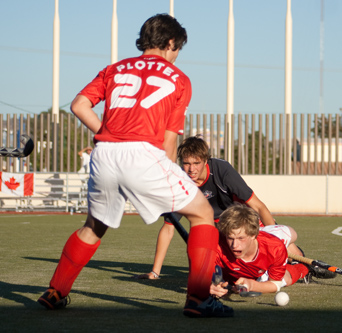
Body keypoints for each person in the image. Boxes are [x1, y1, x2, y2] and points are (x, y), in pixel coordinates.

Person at [37, 14, 233, 318]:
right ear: (170, 43)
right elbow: (169, 143)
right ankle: (199, 298)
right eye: (177, 48)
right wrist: (166, 183)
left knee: (94, 226)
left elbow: (78, 105)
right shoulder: (179, 78)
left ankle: (55, 291)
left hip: (104, 153)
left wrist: (110, 133)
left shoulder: (114, 69)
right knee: (203, 213)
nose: (177, 54)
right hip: (144, 154)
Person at [137, 135, 304, 280]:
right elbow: (168, 228)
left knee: (282, 251)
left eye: (196, 163)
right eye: (186, 163)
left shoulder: (222, 171)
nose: (191, 169)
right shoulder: (180, 182)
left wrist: (272, 238)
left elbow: (259, 207)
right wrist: (155, 272)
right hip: (216, 230)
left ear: (206, 160)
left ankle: (301, 261)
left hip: (242, 221)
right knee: (236, 269)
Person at [210, 204, 316, 296]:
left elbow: (275, 284)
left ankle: (304, 267)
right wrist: (209, 286)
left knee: (292, 235)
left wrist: (252, 285)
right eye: (230, 238)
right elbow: (196, 274)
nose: (234, 245)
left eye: (241, 238)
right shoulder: (216, 246)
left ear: (253, 235)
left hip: (272, 236)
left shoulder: (275, 247)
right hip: (257, 242)